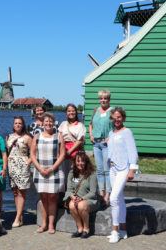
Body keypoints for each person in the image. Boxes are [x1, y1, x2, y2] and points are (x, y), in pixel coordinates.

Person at [106, 107, 138, 243]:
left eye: (119, 117)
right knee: (119, 199)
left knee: (113, 198)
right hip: (112, 169)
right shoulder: (111, 133)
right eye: (114, 117)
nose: (116, 119)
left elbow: (133, 152)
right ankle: (123, 230)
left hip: (123, 169)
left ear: (123, 118)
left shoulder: (127, 132)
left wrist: (132, 169)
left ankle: (115, 231)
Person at [31, 112, 66, 234]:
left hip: (54, 171)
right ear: (43, 122)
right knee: (43, 198)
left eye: (51, 121)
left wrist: (52, 168)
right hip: (40, 171)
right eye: (46, 121)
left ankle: (51, 225)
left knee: (52, 197)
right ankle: (43, 224)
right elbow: (32, 154)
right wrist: (40, 168)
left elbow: (62, 154)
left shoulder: (58, 136)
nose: (48, 123)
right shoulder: (37, 136)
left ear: (54, 122)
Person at [63, 152, 100, 239]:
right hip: (76, 198)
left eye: (82, 161)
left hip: (90, 199)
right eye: (78, 161)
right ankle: (80, 228)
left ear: (86, 162)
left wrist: (82, 198)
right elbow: (69, 190)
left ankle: (86, 229)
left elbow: (93, 192)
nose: (80, 163)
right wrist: (72, 196)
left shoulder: (92, 174)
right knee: (72, 205)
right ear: (75, 162)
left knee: (81, 205)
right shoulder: (72, 173)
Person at [88, 89, 114, 205]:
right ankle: (101, 193)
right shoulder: (95, 110)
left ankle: (108, 194)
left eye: (105, 98)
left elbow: (116, 126)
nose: (103, 100)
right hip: (96, 143)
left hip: (106, 143)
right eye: (101, 98)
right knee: (99, 170)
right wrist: (91, 134)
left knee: (107, 170)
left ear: (109, 99)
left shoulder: (112, 111)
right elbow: (90, 124)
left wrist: (110, 136)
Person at [6, 116, 32, 227]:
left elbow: (33, 153)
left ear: (23, 125)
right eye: (16, 123)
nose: (17, 125)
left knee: (22, 192)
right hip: (11, 167)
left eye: (20, 123)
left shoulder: (27, 137)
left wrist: (27, 163)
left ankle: (17, 218)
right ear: (13, 125)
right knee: (15, 192)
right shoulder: (8, 137)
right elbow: (6, 153)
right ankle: (20, 214)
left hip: (22, 167)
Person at [59, 104, 86, 186]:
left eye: (73, 111)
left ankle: (76, 193)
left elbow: (79, 140)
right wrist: (63, 152)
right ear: (66, 113)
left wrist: (69, 152)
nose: (71, 112)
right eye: (69, 111)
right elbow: (59, 136)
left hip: (75, 150)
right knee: (64, 173)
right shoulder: (63, 124)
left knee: (75, 172)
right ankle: (66, 194)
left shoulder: (80, 125)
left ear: (76, 112)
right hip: (64, 149)